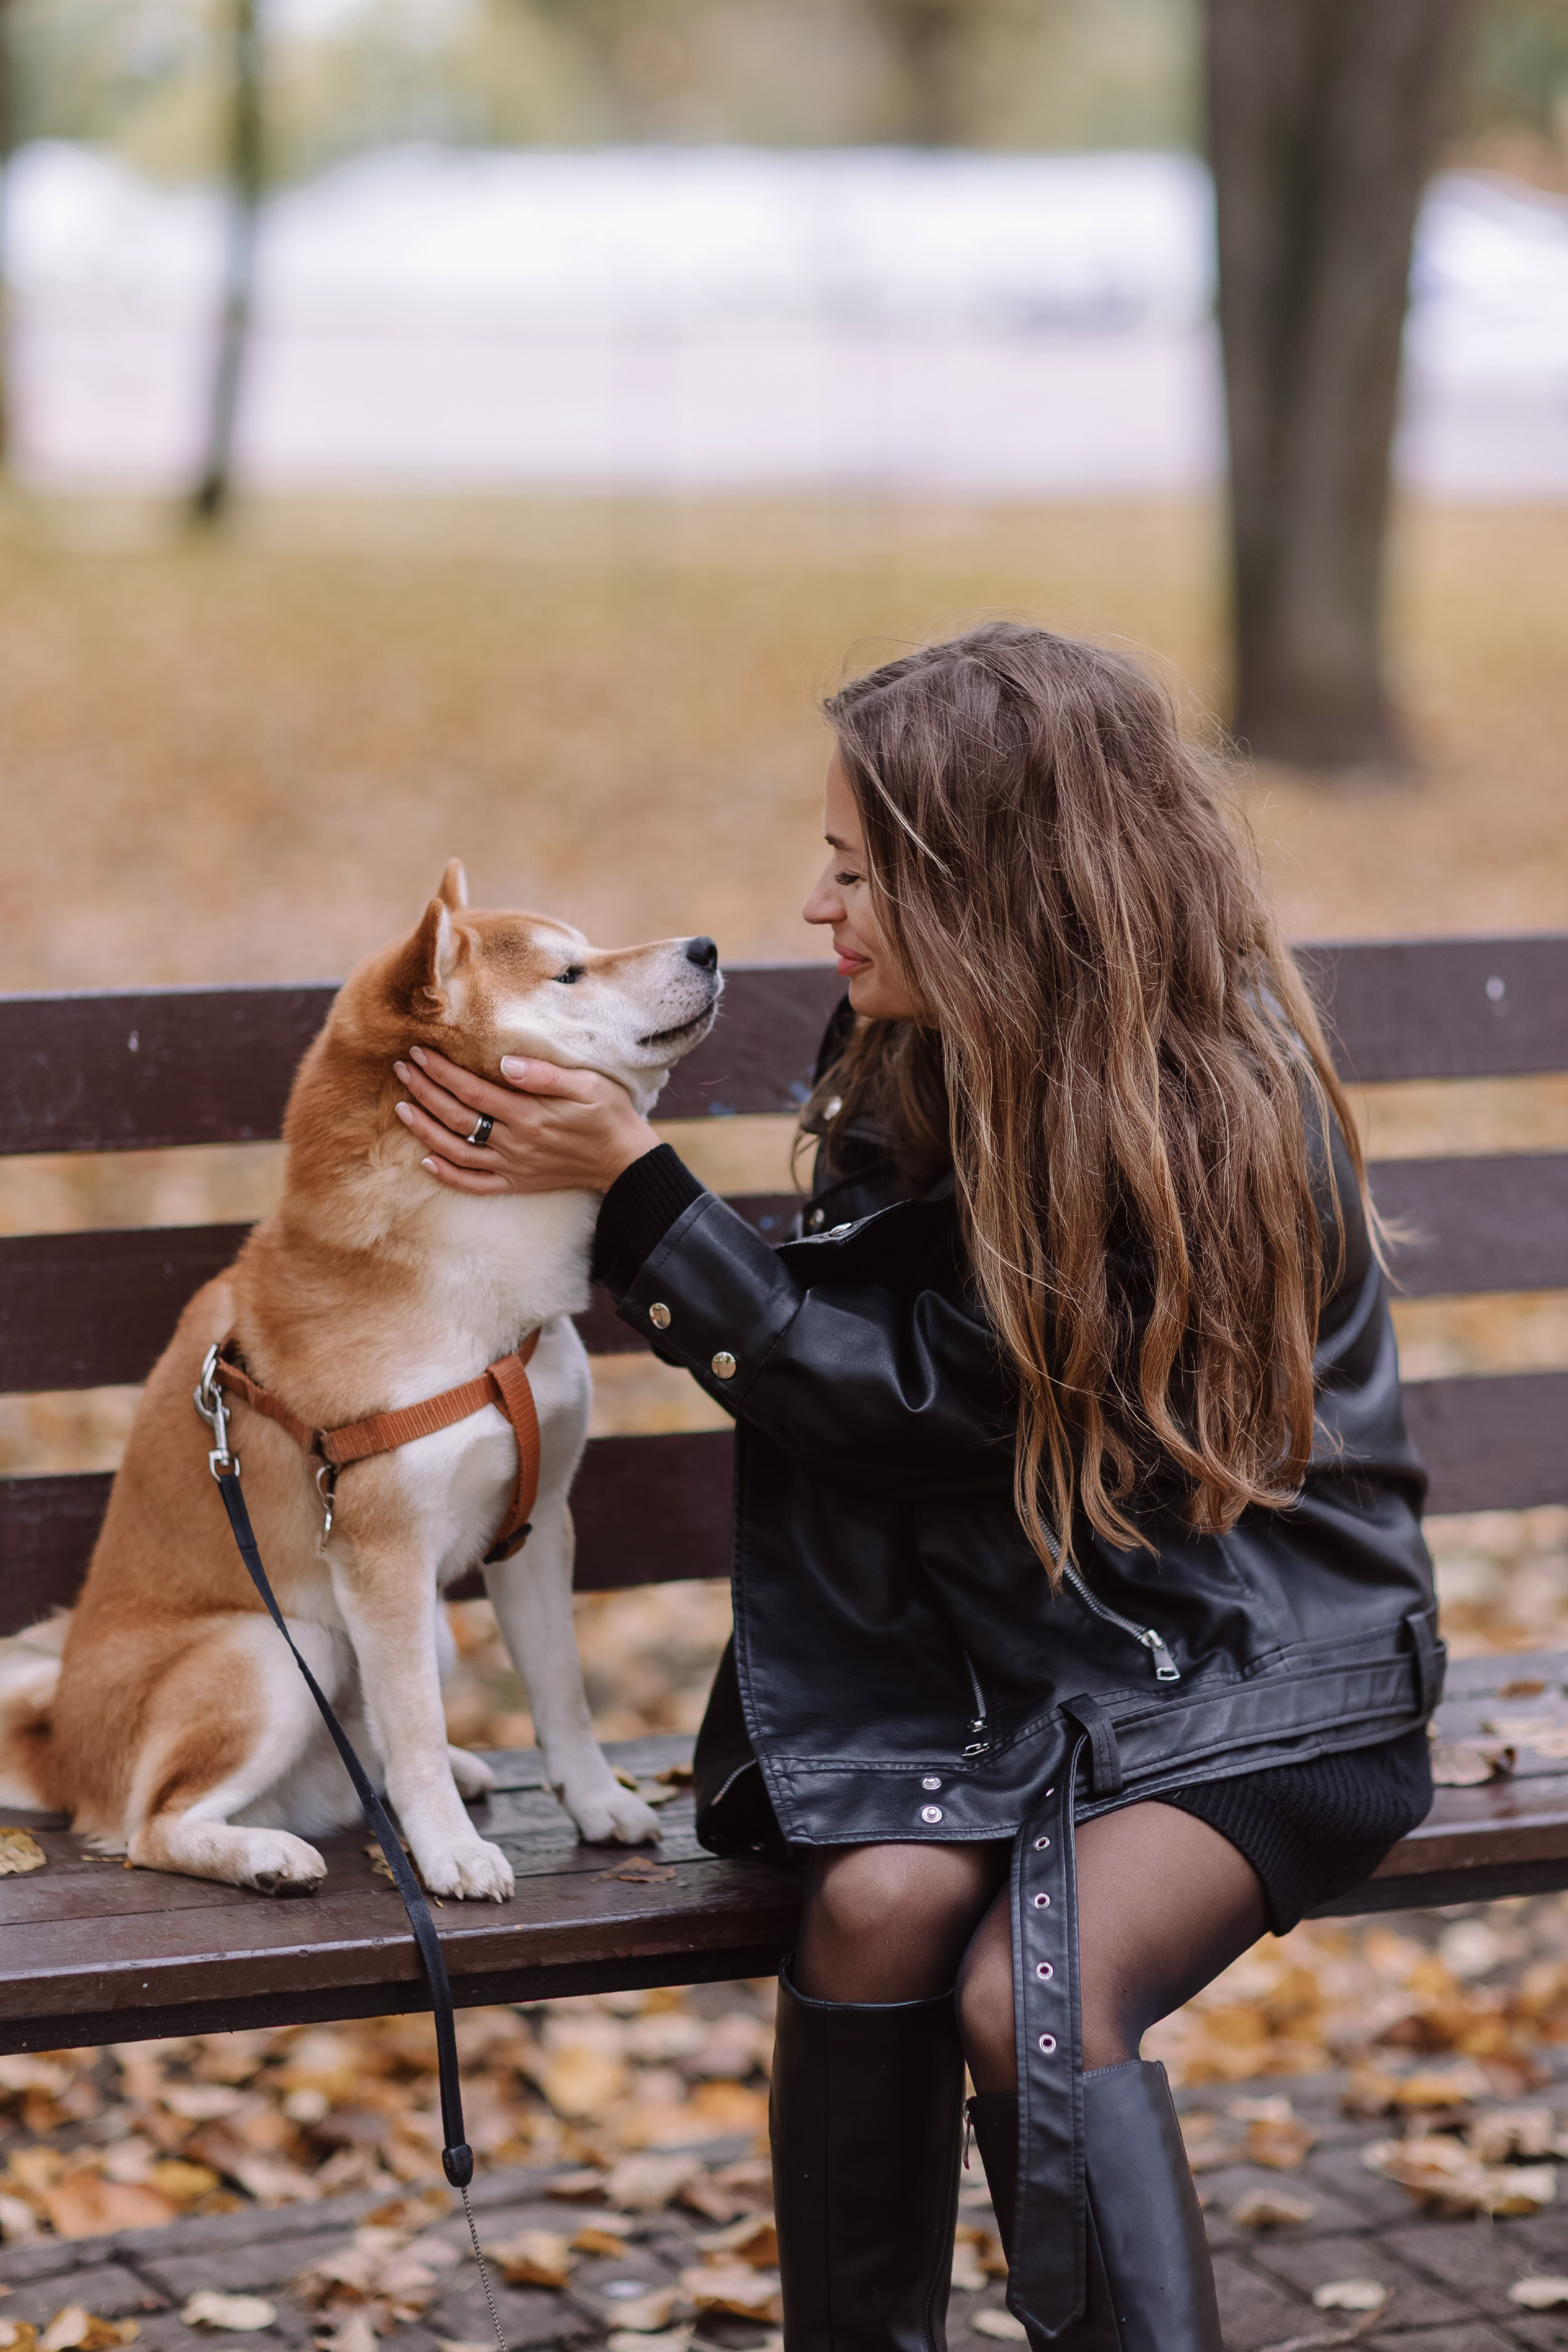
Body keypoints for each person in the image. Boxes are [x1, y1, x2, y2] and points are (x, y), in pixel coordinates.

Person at [394, 624, 1439, 2352]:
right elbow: (882, 1385)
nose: (821, 909)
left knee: (1030, 1990)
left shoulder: (1192, 1100)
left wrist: (649, 1201)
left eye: (859, 869)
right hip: (1048, 1652)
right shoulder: (920, 1044)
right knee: (876, 1903)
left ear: (996, 889)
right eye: (829, 862)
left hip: (1269, 1669)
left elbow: (926, 1410)